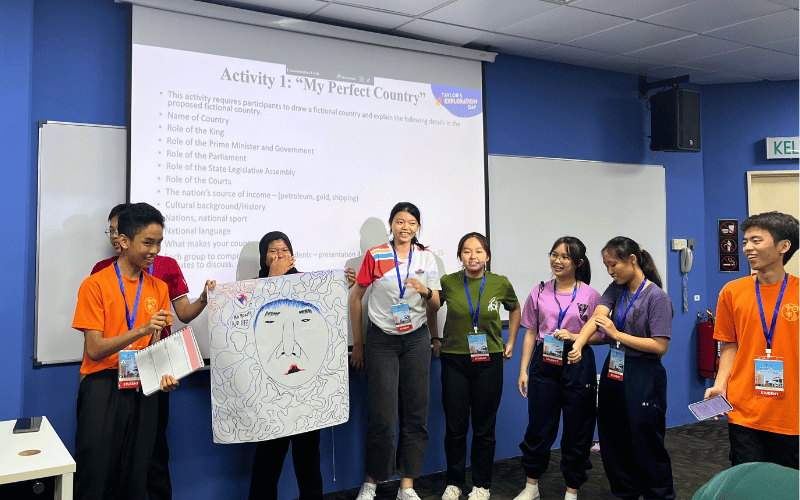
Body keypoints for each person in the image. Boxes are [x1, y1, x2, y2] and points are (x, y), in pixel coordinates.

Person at [92, 203, 215, 500]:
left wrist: (203, 299)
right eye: (111, 231)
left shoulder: (163, 273)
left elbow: (182, 315)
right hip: (113, 376)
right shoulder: (101, 274)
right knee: (108, 457)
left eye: (117, 230)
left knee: (153, 450)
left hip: (155, 370)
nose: (114, 236)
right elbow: (97, 342)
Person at [72, 202, 180, 500]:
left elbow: (155, 346)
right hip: (102, 386)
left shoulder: (158, 287)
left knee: (136, 475)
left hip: (143, 384)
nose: (154, 250)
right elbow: (94, 349)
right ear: (124, 241)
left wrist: (165, 374)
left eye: (158, 243)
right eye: (147, 242)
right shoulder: (94, 285)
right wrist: (141, 329)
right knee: (95, 475)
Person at [249, 230, 356, 500]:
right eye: (273, 251)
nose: (280, 255)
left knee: (308, 457)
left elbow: (323, 316)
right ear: (264, 257)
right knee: (268, 459)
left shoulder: (306, 283)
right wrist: (273, 277)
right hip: (271, 390)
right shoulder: (252, 286)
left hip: (305, 388)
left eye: (285, 250)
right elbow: (247, 325)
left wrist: (342, 285)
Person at [569, 237, 675, 500]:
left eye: (613, 264)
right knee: (612, 436)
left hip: (643, 371)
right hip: (614, 368)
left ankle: (658, 495)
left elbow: (660, 346)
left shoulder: (656, 297)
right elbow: (597, 318)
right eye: (606, 266)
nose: (610, 271)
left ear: (632, 260)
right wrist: (579, 344)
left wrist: (616, 334)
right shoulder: (616, 289)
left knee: (644, 438)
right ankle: (625, 491)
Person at [350, 202, 441, 500]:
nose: (406, 227)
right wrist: (359, 344)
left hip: (416, 339)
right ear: (391, 225)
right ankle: (372, 481)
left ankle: (407, 484)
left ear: (417, 227)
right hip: (382, 340)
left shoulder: (426, 258)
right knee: (383, 415)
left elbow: (436, 304)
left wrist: (425, 291)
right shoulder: (376, 255)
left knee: (416, 412)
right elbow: (357, 297)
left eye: (412, 222)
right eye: (400, 221)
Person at [704, 211, 799, 469]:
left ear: (784, 246)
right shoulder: (732, 292)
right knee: (747, 482)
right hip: (744, 410)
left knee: (785, 487)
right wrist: (720, 384)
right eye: (745, 241)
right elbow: (729, 343)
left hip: (791, 413)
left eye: (756, 241)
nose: (747, 248)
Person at [514, 237, 601, 500]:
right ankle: (531, 487)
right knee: (539, 428)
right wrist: (523, 370)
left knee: (578, 429)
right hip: (545, 362)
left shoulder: (591, 295)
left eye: (564, 256)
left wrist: (577, 337)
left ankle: (571, 491)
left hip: (578, 362)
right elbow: (530, 332)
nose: (557, 260)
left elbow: (603, 335)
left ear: (578, 262)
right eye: (554, 254)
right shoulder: (538, 291)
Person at [437, 232, 520, 500]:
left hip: (489, 361)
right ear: (460, 256)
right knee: (455, 427)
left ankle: (482, 485)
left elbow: (515, 309)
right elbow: (432, 306)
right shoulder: (448, 282)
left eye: (479, 251)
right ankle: (454, 483)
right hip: (454, 360)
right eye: (467, 251)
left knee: (484, 428)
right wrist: (433, 337)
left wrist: (511, 342)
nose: (473, 256)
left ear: (487, 255)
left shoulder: (500, 283)